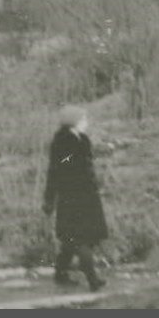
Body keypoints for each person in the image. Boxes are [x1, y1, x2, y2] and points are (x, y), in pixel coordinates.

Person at [42, 106, 107, 291]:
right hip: (72, 198)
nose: (86, 123)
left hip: (87, 197)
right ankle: (92, 279)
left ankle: (60, 274)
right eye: (83, 119)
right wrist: (49, 199)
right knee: (81, 239)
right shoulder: (62, 142)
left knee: (71, 239)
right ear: (74, 122)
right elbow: (56, 170)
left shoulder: (82, 139)